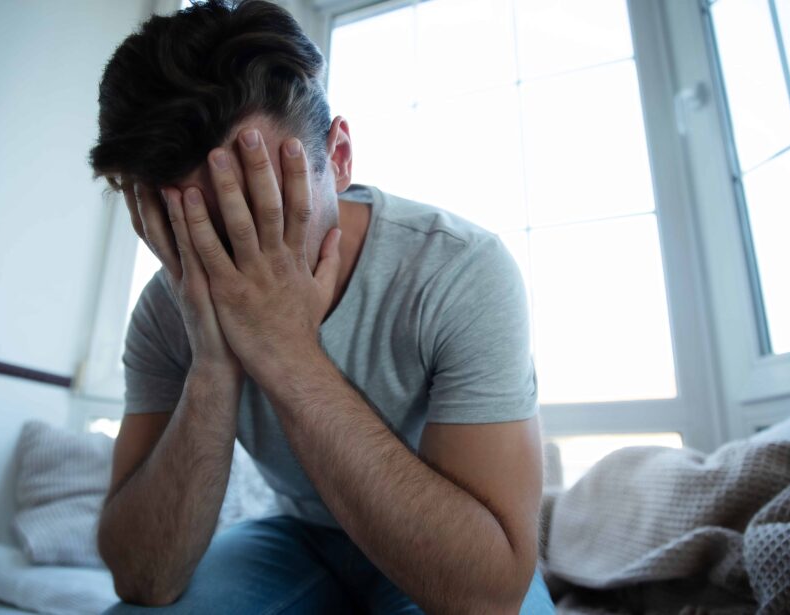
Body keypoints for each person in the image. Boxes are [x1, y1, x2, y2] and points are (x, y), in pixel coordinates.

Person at [88, 1, 553, 613]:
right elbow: (143, 579)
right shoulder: (165, 312)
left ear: (337, 160)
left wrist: (285, 351)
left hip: (447, 540)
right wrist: (214, 363)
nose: (231, 261)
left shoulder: (458, 271)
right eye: (190, 226)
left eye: (260, 206)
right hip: (299, 539)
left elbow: (485, 597)